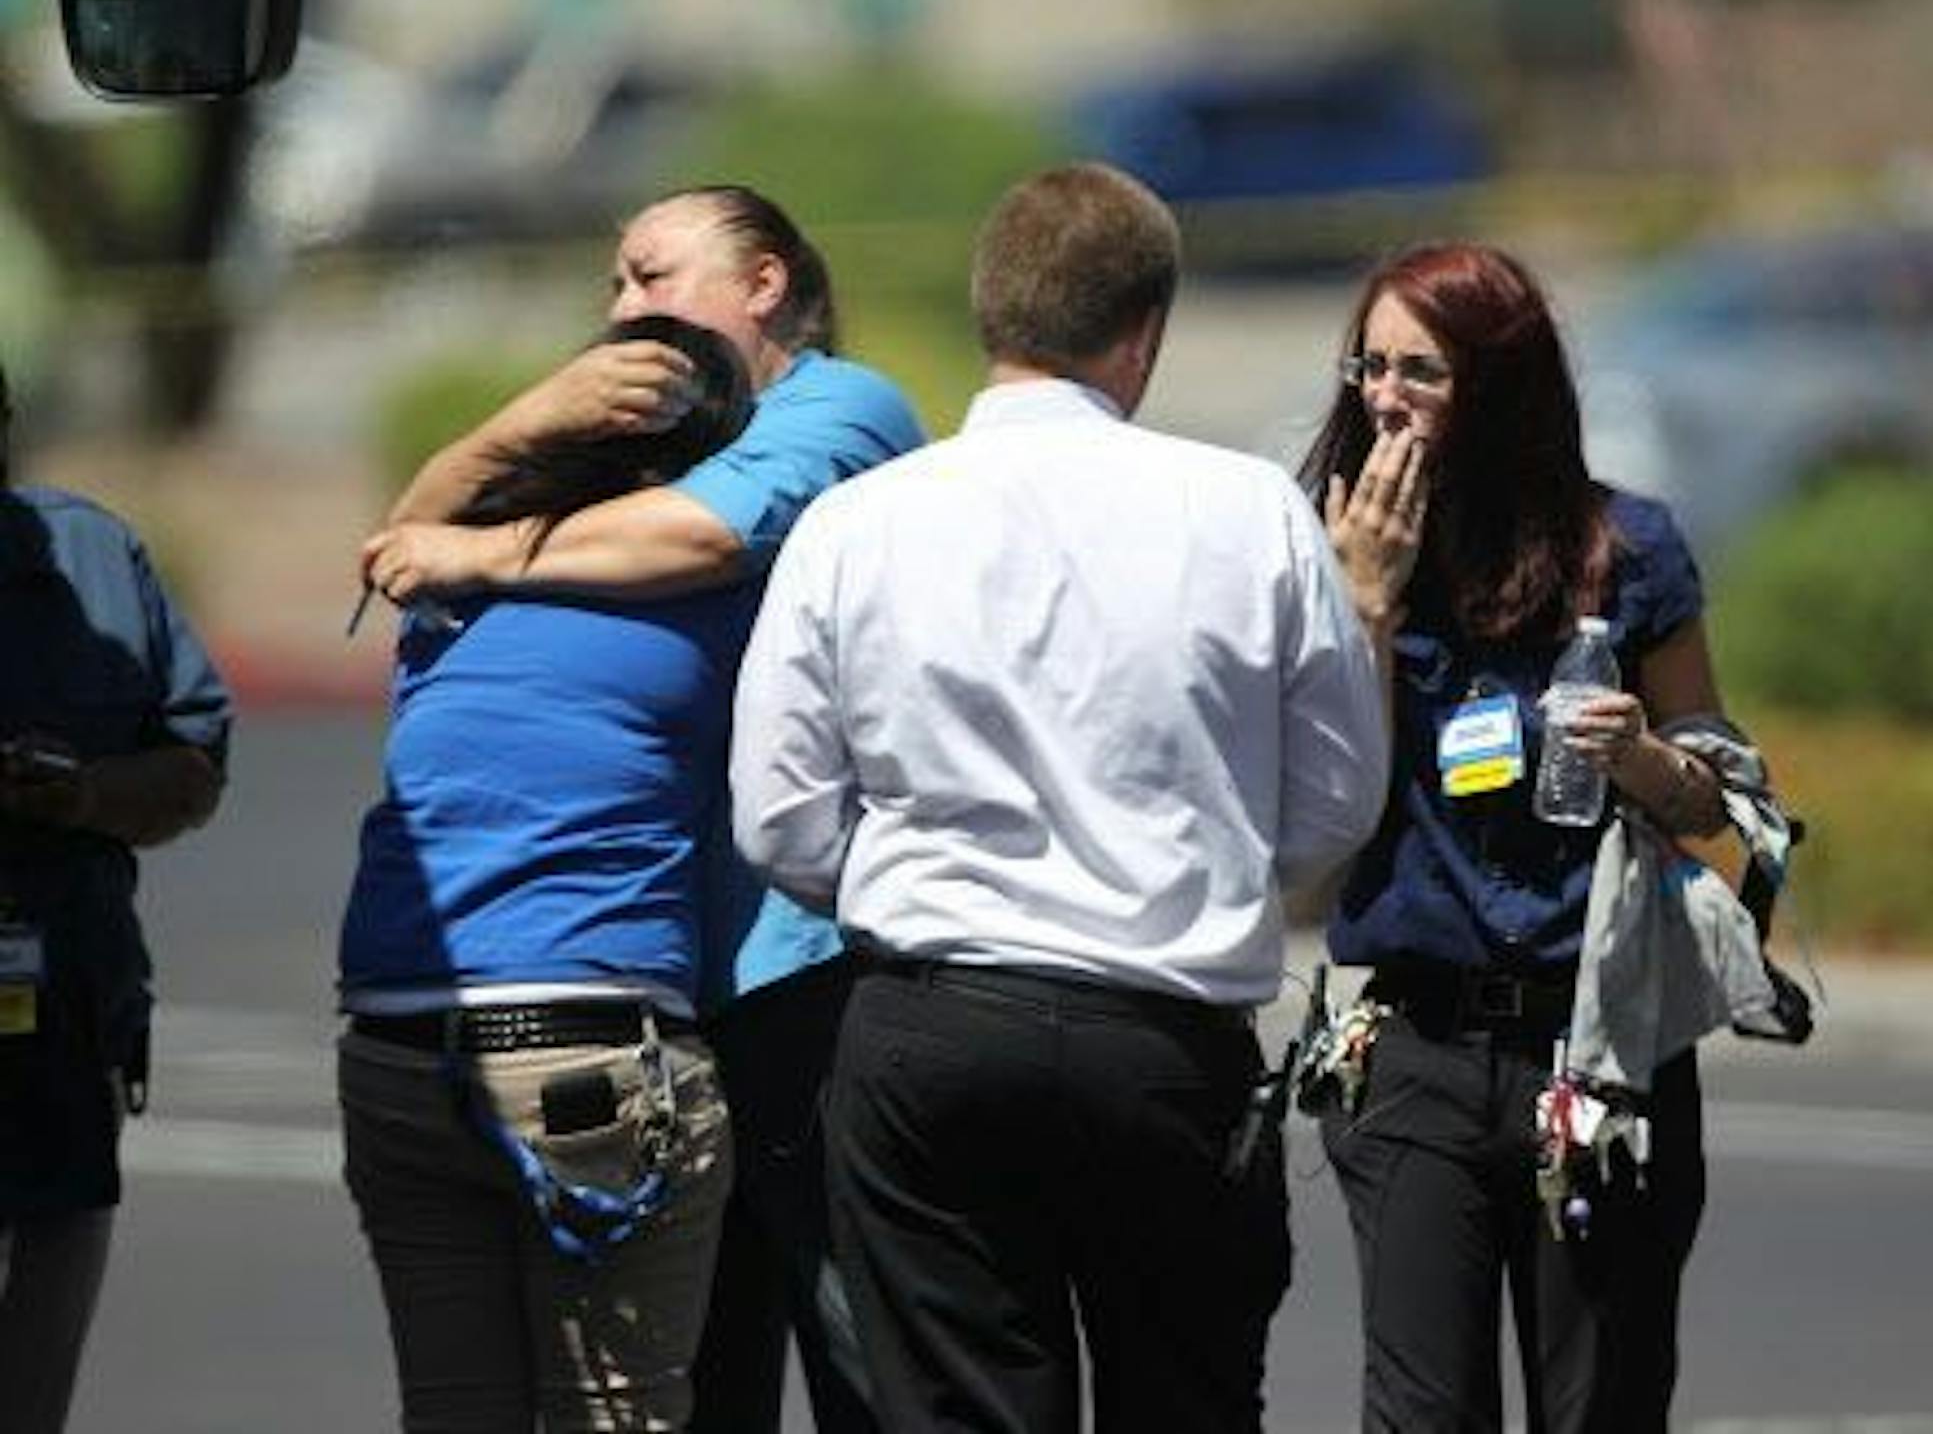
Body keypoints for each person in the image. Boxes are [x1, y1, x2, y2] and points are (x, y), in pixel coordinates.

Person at [729, 162, 1391, 1434]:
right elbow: (1333, 803)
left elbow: (779, 814)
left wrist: (890, 879)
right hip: (1164, 1037)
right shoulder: (1249, 511)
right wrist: (1207, 859)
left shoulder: (857, 523)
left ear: (993, 315)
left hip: (931, 1022)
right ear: (1141, 335)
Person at [357, 184, 921, 1434]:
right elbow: (407, 538)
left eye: (650, 276)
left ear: (764, 282)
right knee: (690, 1380)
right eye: (613, 284)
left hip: (802, 978)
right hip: (664, 991)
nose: (622, 310)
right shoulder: (648, 446)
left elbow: (710, 535)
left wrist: (491, 552)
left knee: (859, 1358)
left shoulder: (839, 407)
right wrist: (529, 418)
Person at [1303, 241, 1734, 1431]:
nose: (1383, 396)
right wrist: (1366, 610)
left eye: (1421, 372)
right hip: (1416, 1046)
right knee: (1420, 1409)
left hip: (1597, 1047)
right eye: (1369, 366)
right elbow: (1320, 801)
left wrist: (1642, 757)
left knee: (1601, 1402)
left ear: (1500, 388)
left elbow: (1723, 798)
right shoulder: (1327, 547)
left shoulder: (1627, 550)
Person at [0, 359, 231, 1434]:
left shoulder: (91, 555)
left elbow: (192, 765)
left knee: (55, 1250)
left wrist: (81, 791)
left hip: (63, 1003)